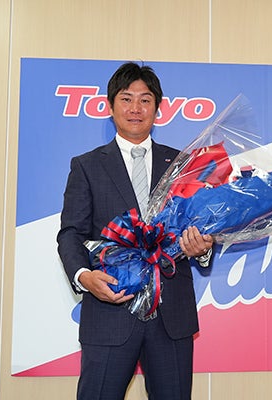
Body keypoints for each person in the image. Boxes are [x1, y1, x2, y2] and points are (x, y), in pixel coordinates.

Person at [57, 61, 214, 400]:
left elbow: (200, 226)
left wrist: (203, 249)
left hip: (171, 318)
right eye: (126, 99)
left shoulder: (182, 165)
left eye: (145, 100)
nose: (135, 108)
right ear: (110, 105)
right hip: (110, 309)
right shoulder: (86, 166)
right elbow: (70, 233)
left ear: (158, 108)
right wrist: (84, 277)